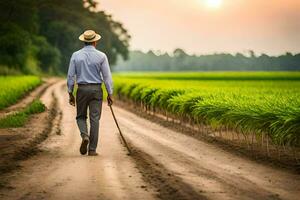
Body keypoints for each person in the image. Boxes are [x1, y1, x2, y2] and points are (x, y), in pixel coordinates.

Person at [67, 30, 113, 156]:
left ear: (84, 41)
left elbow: (71, 76)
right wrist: (110, 93)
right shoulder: (102, 56)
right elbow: (107, 76)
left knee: (81, 117)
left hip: (81, 90)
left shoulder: (75, 55)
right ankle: (92, 150)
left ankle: (84, 135)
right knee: (95, 119)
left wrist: (70, 92)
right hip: (96, 90)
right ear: (95, 41)